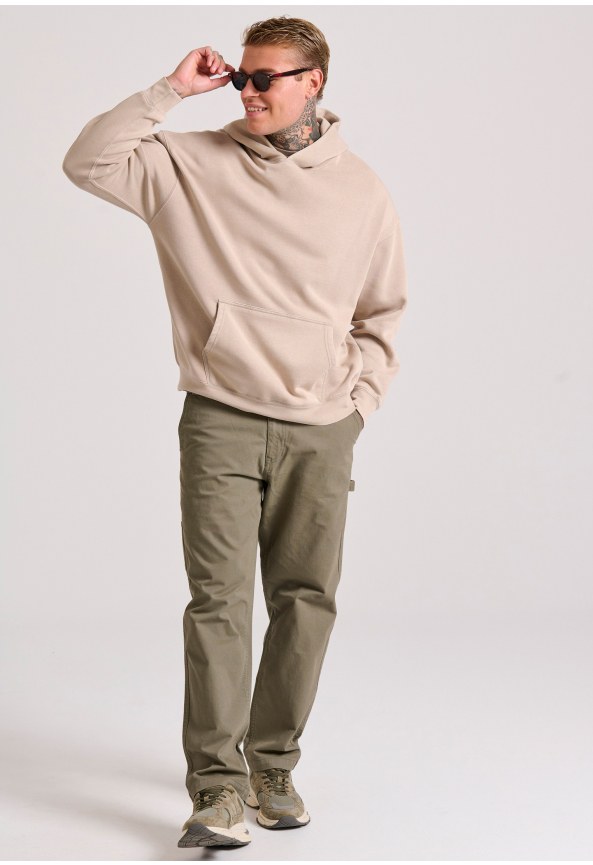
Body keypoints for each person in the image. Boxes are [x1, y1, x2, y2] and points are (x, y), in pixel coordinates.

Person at [62, 15, 408, 850]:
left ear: (312, 82)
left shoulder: (360, 188)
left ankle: (272, 765)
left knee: (305, 600)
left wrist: (357, 406)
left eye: (265, 78)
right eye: (241, 77)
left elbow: (382, 311)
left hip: (320, 425)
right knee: (218, 602)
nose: (247, 91)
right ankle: (215, 787)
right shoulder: (191, 164)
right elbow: (88, 161)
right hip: (219, 414)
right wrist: (172, 90)